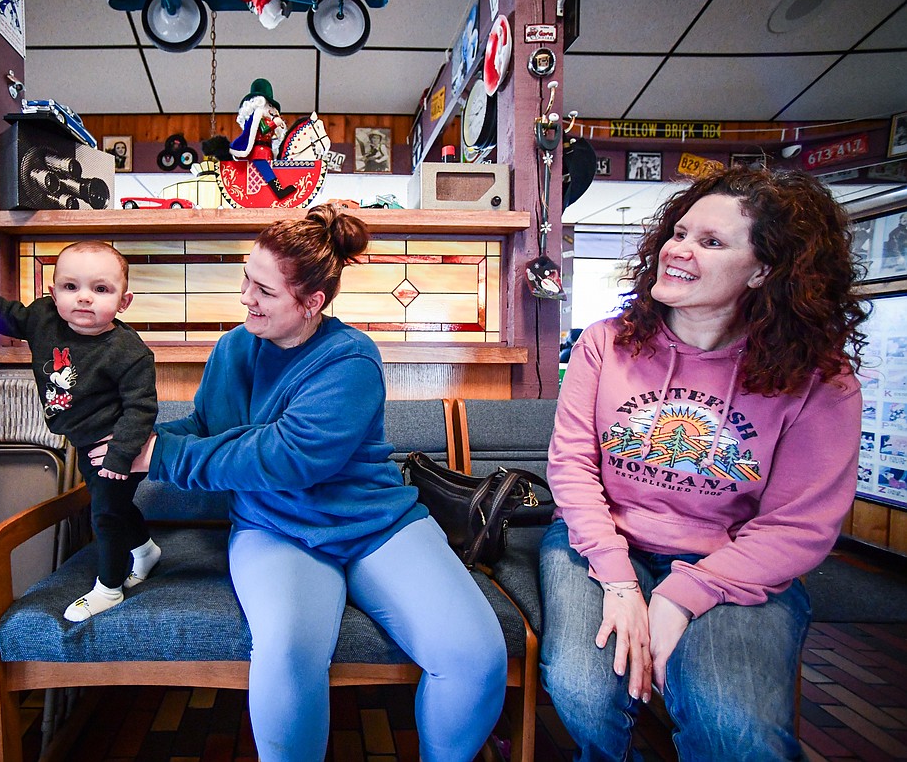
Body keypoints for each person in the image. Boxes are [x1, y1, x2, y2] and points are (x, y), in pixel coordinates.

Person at [93, 204, 507, 762]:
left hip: (376, 528)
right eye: (247, 276)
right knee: (287, 652)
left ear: (312, 302)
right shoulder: (234, 348)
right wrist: (128, 443)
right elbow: (207, 427)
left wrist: (160, 455)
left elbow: (288, 457)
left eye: (263, 289)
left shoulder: (349, 359)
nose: (245, 296)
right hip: (276, 530)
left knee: (475, 656)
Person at [540, 164, 867, 761]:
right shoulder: (605, 343)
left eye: (711, 242)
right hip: (600, 542)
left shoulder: (820, 380)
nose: (679, 250)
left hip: (734, 563)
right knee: (584, 691)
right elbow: (571, 467)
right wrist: (619, 580)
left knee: (734, 728)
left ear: (766, 269)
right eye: (681, 232)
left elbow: (800, 526)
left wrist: (678, 596)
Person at [0, 242, 160, 622]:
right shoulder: (42, 318)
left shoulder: (129, 351)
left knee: (106, 514)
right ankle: (146, 550)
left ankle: (109, 589)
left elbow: (141, 408)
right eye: (71, 287)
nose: (84, 298)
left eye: (101, 289)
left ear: (124, 301)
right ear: (52, 292)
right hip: (82, 441)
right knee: (112, 506)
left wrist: (120, 456)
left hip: (118, 447)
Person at [230, 78, 296, 199]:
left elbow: (272, 135)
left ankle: (274, 190)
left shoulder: (267, 117)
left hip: (267, 150)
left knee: (270, 168)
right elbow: (264, 129)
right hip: (258, 152)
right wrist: (274, 123)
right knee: (265, 169)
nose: (271, 108)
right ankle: (278, 190)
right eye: (269, 104)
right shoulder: (258, 117)